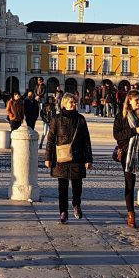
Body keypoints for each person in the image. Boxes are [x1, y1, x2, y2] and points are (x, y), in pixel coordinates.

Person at [45, 92, 92, 224]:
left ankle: (76, 204)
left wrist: (88, 159)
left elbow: (86, 141)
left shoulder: (81, 119)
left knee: (77, 184)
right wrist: (48, 157)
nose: (74, 104)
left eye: (75, 102)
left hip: (78, 157)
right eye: (71, 102)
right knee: (62, 186)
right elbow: (50, 140)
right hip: (61, 157)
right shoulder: (56, 119)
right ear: (64, 104)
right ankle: (63, 211)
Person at [112, 90, 139, 228]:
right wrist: (134, 131)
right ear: (129, 101)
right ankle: (131, 214)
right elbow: (117, 135)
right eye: (136, 100)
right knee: (129, 184)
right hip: (127, 154)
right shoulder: (121, 117)